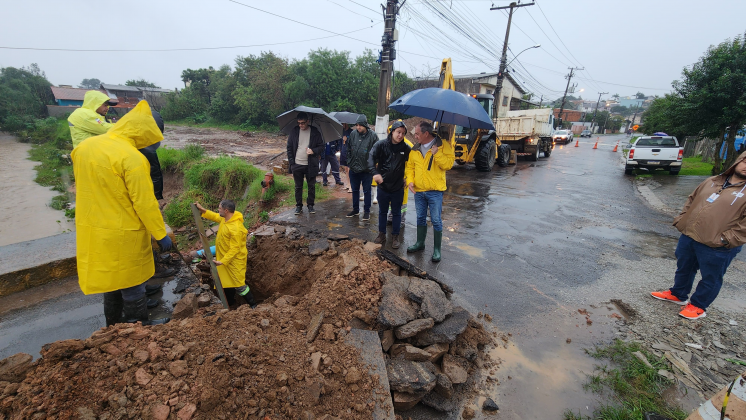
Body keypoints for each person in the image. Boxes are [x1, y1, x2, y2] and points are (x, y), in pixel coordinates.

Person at [71, 100, 171, 326]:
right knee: (132, 282)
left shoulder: (85, 147)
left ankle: (114, 327)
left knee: (112, 281)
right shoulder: (132, 158)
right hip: (123, 231)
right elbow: (145, 204)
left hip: (93, 229)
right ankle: (138, 326)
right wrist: (160, 234)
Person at [651, 151, 746, 319]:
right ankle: (678, 294)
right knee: (684, 267)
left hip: (718, 245)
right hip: (690, 235)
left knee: (711, 277)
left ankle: (698, 305)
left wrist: (725, 239)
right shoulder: (712, 181)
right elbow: (692, 199)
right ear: (738, 161)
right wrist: (682, 219)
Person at [405, 121, 455, 262]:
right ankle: (420, 243)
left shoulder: (443, 145)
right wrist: (410, 180)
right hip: (419, 191)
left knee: (436, 220)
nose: (415, 136)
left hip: (435, 191)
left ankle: (437, 250)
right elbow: (410, 168)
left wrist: (437, 154)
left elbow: (448, 164)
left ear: (426, 133)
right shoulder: (415, 149)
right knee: (420, 218)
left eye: (417, 134)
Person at [194, 200, 257, 308]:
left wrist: (223, 261)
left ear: (226, 210)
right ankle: (231, 304)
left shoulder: (235, 228)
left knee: (239, 285)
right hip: (225, 259)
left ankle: (253, 305)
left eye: (219, 208)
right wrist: (203, 210)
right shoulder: (226, 219)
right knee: (226, 283)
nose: (218, 210)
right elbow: (215, 217)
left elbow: (234, 249)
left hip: (234, 261)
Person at [368, 120, 411, 249]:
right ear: (392, 132)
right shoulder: (380, 145)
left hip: (398, 187)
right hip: (383, 186)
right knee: (382, 212)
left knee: (397, 213)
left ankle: (395, 236)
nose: (400, 135)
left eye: (403, 133)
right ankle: (381, 234)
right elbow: (370, 158)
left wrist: (408, 178)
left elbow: (415, 163)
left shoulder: (406, 148)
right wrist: (375, 173)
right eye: (398, 132)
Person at [286, 112, 324, 215]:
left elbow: (321, 146)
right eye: (299, 123)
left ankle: (310, 205)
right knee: (298, 186)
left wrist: (313, 151)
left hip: (310, 164)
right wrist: (292, 163)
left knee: (311, 186)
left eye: (303, 123)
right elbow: (289, 148)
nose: (301, 125)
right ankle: (298, 206)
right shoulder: (294, 131)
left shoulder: (315, 132)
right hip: (297, 164)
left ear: (308, 121)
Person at [346, 114, 379, 220]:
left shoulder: (373, 136)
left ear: (365, 125)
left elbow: (378, 152)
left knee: (367, 191)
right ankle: (355, 209)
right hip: (354, 168)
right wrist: (349, 162)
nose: (358, 127)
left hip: (366, 170)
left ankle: (367, 211)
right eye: (357, 125)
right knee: (355, 190)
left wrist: (372, 165)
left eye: (360, 125)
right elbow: (348, 149)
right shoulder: (353, 134)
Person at [339, 123, 353, 192]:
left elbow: (353, 143)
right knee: (346, 169)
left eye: (343, 124)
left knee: (350, 170)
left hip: (349, 153)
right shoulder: (342, 132)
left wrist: (346, 140)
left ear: (346, 123)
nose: (342, 125)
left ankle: (351, 186)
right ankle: (347, 184)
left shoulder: (352, 132)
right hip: (343, 152)